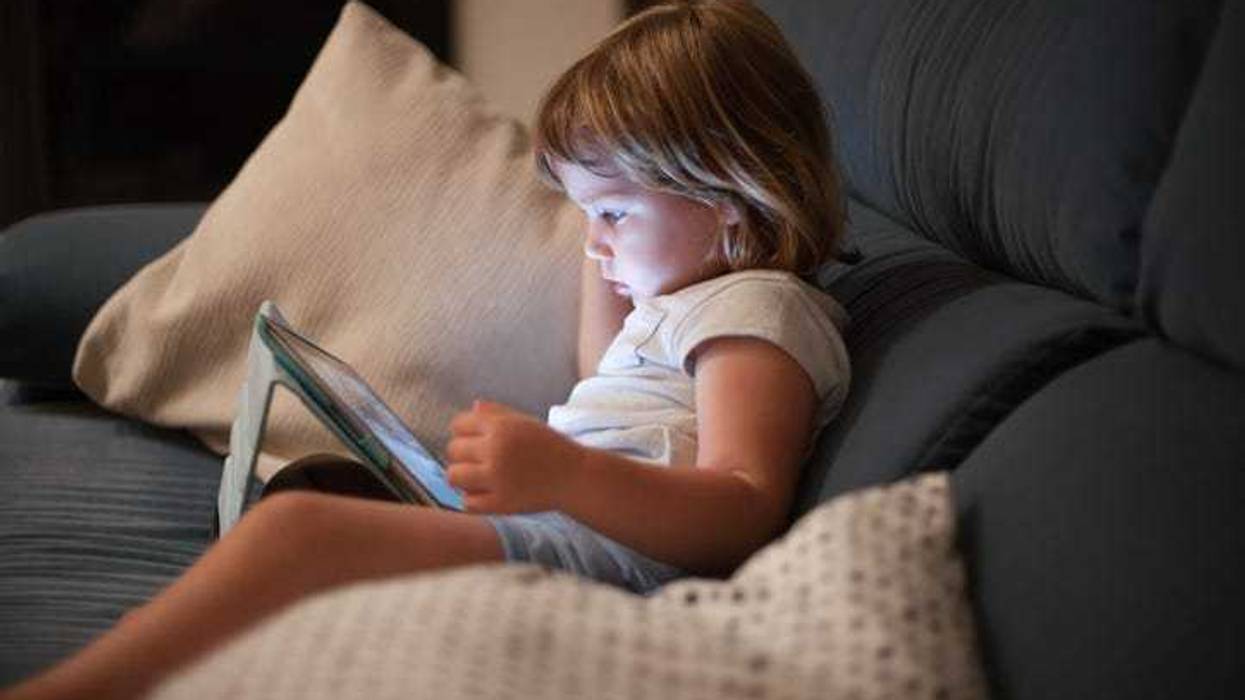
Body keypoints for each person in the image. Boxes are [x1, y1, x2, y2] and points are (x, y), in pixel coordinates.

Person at [2, 1, 850, 698]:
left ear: (729, 199)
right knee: (317, 492)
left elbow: (742, 503)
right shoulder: (686, 298)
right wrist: (608, 246)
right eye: (586, 214)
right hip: (554, 533)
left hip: (594, 567)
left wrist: (567, 474)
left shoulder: (758, 311)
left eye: (614, 215)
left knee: (301, 531)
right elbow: (599, 371)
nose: (593, 241)